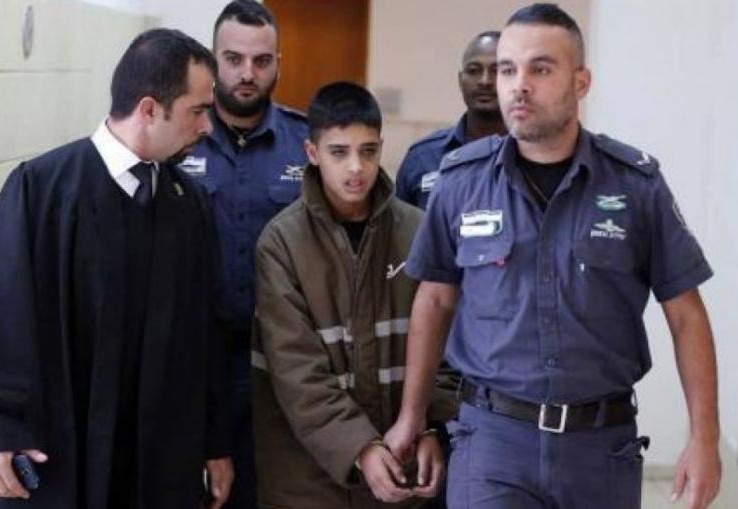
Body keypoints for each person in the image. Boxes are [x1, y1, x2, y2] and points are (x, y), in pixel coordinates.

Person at [384, 4, 721, 509]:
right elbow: (433, 301)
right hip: (493, 442)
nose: (518, 85)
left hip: (600, 446)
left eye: (540, 69)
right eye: (508, 69)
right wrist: (411, 416)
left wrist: (704, 438)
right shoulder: (460, 182)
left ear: (581, 82)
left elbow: (687, 315)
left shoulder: (636, 186)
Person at [0, 29, 233, 509]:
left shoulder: (188, 203)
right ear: (149, 109)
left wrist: (215, 443)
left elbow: (206, 333)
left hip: (156, 458)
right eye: (197, 111)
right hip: (61, 452)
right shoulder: (42, 190)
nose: (207, 127)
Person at [251, 82, 456, 508]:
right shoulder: (281, 243)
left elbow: (449, 348)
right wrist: (360, 448)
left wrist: (433, 428)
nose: (356, 167)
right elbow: (297, 374)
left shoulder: (418, 231)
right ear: (312, 153)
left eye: (368, 151)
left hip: (403, 471)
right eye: (339, 152)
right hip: (307, 482)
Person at [178, 2, 309, 506]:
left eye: (261, 60)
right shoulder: (180, 137)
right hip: (192, 356)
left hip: (278, 361)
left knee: (269, 490)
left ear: (279, 63)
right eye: (233, 59)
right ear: (214, 60)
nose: (247, 73)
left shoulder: (305, 144)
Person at [395, 31, 507, 210]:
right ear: (460, 80)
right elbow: (400, 223)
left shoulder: (536, 154)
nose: (485, 81)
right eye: (474, 70)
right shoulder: (423, 156)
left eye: (497, 71)